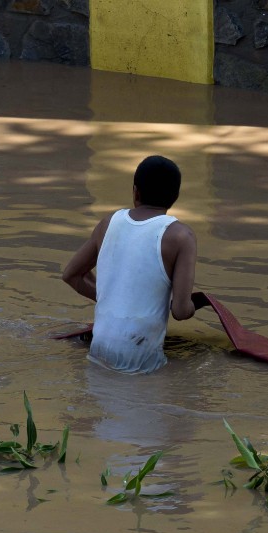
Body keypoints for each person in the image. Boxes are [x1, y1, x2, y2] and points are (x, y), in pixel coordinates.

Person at [62, 155, 198, 374]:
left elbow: (71, 275)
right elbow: (181, 311)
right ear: (175, 197)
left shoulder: (108, 223)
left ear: (136, 192)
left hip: (99, 347)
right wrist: (196, 305)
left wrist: (115, 298)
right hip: (140, 355)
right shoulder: (181, 236)